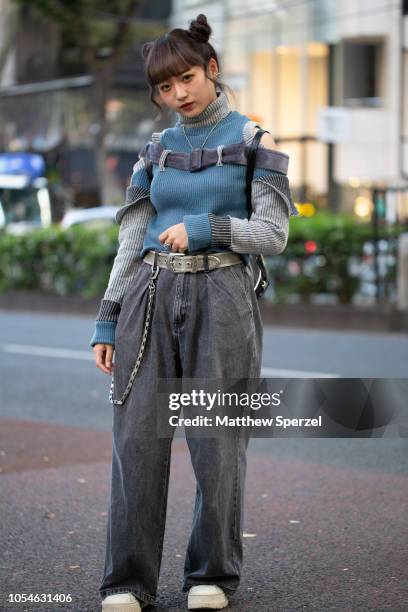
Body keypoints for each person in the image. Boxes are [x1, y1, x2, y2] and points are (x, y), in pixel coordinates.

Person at [90, 13, 299, 612]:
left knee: (218, 442)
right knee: (135, 444)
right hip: (149, 297)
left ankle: (212, 576)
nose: (175, 95)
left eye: (184, 78)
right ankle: (126, 581)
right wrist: (107, 319)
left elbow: (273, 234)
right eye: (162, 87)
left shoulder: (256, 140)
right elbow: (132, 238)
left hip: (225, 297)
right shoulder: (154, 149)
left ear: (211, 70)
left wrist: (207, 228)